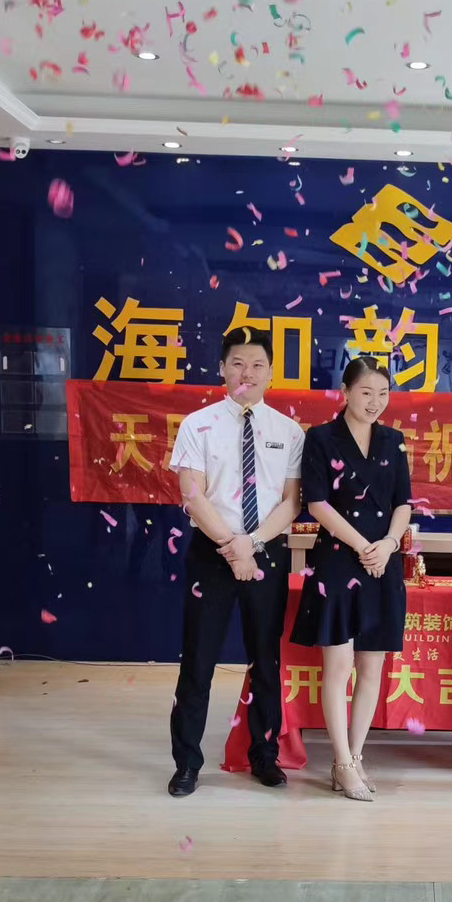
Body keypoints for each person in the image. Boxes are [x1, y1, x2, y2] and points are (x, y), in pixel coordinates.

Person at [167, 325, 304, 795]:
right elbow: (192, 494)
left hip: (266, 551)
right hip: (212, 553)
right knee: (198, 661)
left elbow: (291, 501)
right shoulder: (198, 424)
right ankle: (187, 763)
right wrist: (231, 545)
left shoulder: (288, 431)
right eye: (238, 363)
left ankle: (264, 756)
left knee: (266, 659)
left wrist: (252, 544)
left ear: (271, 373)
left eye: (258, 364)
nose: (248, 372)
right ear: (222, 369)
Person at [291, 355, 413, 801]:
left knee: (371, 666)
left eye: (383, 393)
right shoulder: (321, 438)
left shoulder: (394, 441)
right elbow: (317, 503)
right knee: (339, 666)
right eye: (365, 392)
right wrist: (364, 546)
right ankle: (341, 762)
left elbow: (403, 502)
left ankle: (355, 756)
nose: (375, 402)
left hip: (383, 561)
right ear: (345, 392)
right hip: (339, 562)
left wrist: (390, 543)